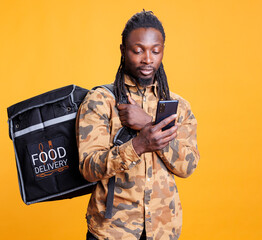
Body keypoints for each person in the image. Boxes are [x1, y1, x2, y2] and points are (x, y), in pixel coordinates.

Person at [76, 10, 200, 240]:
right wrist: (138, 145)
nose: (148, 59)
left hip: (164, 230)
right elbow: (88, 168)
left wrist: (149, 126)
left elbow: (188, 166)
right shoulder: (101, 100)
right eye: (138, 50)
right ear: (123, 50)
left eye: (156, 50)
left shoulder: (179, 105)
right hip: (111, 231)